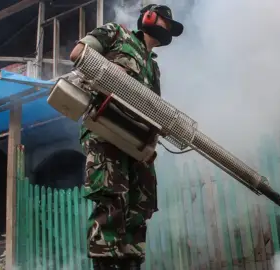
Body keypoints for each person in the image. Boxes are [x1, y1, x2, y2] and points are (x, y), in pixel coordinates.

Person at [69, 4, 184, 270]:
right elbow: (78, 54)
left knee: (139, 206)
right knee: (111, 199)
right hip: (105, 130)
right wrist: (112, 75)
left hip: (135, 141)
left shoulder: (153, 68)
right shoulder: (115, 35)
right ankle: (106, 264)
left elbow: (150, 109)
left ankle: (131, 262)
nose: (167, 30)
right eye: (166, 22)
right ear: (150, 17)